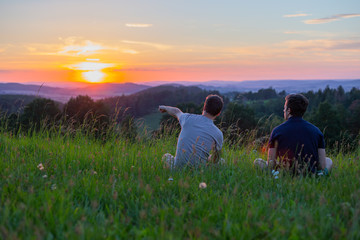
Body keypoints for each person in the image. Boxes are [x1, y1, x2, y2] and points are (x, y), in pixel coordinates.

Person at [254, 93, 333, 175]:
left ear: (289, 110)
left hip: (284, 173)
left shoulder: (277, 131)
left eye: (284, 108)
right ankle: (321, 175)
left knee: (258, 162)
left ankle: (274, 176)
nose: (283, 110)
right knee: (328, 161)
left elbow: (271, 163)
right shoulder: (317, 131)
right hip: (309, 173)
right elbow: (322, 165)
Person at [159, 94, 224, 169]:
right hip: (199, 171)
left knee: (166, 156)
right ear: (218, 113)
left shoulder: (188, 119)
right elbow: (215, 160)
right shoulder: (218, 134)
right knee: (221, 161)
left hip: (177, 169)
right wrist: (208, 158)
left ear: (204, 107)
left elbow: (176, 111)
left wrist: (165, 108)